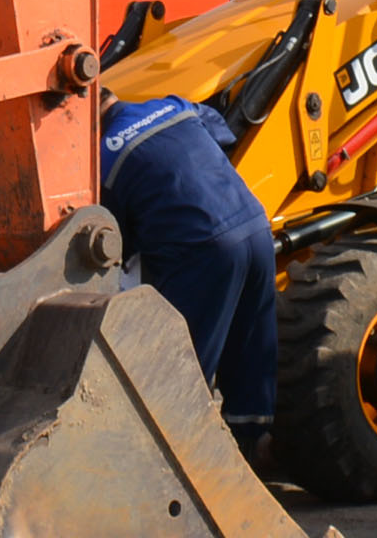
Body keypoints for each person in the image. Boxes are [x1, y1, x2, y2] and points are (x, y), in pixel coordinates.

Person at [97, 88, 279, 450]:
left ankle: (180, 460)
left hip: (202, 249)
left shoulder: (105, 156)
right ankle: (255, 449)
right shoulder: (174, 106)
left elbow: (113, 241)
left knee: (182, 370)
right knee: (251, 352)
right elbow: (223, 134)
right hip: (257, 228)